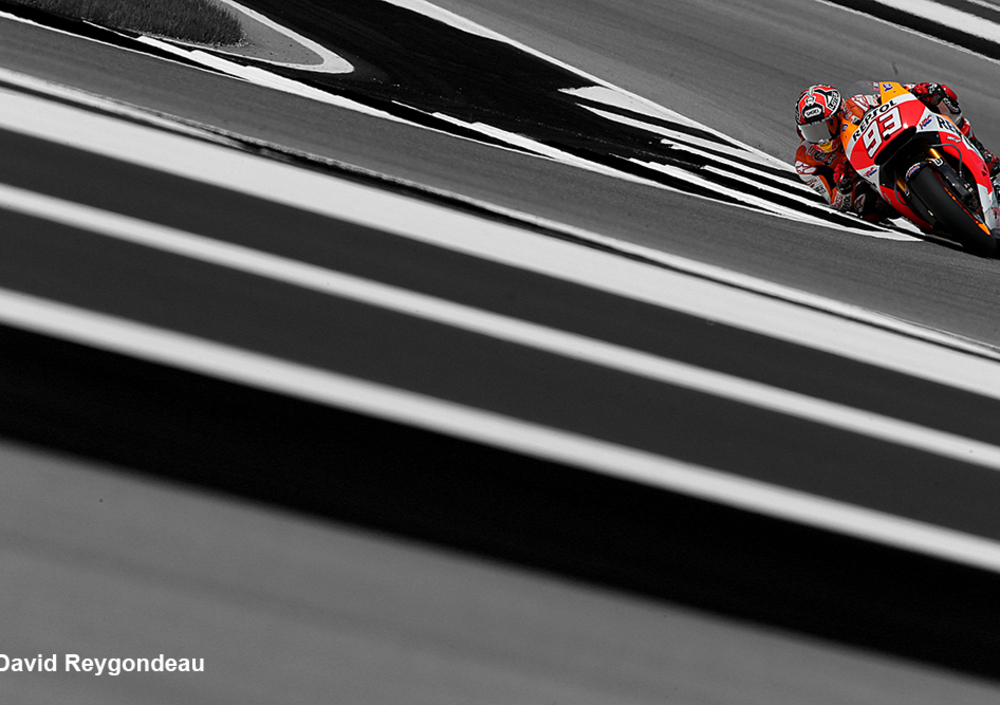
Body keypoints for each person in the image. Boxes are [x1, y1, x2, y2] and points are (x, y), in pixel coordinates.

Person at [793, 81, 1000, 222]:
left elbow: (892, 95)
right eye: (811, 131)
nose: (822, 138)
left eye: (825, 127)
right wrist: (844, 187)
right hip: (868, 179)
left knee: (942, 95)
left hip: (891, 139)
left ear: (839, 113)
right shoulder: (806, 162)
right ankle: (924, 207)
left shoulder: (857, 104)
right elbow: (835, 202)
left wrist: (918, 90)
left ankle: (981, 152)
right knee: (866, 207)